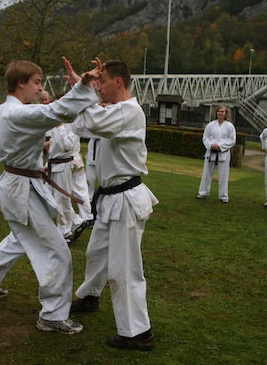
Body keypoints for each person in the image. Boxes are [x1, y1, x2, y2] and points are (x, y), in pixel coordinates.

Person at [0, 57, 102, 335]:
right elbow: (58, 111)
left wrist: (16, 158)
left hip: (15, 183)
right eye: (37, 82)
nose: (40, 88)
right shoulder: (18, 114)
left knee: (18, 239)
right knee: (57, 252)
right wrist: (85, 85)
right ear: (21, 83)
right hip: (20, 189)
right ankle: (52, 314)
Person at [69, 60, 159, 351]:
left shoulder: (129, 112)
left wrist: (82, 87)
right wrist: (79, 86)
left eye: (102, 83)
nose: (99, 88)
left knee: (125, 268)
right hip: (110, 199)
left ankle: (138, 333)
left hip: (125, 199)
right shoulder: (114, 112)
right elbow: (83, 124)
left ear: (118, 81)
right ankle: (91, 297)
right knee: (96, 254)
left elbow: (92, 121)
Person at [46, 122, 92, 243]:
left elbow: (67, 146)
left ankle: (64, 232)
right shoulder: (57, 121)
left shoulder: (73, 123)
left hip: (64, 165)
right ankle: (76, 221)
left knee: (62, 199)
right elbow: (55, 148)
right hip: (56, 164)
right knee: (48, 198)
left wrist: (59, 126)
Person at [196, 106, 236, 203]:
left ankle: (223, 196)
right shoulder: (210, 125)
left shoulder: (229, 126)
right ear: (216, 113)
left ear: (226, 114)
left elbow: (232, 140)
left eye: (223, 111)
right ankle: (203, 192)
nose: (220, 113)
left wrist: (220, 146)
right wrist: (210, 145)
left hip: (223, 153)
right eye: (219, 111)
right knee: (206, 173)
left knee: (223, 175)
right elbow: (205, 138)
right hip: (211, 152)